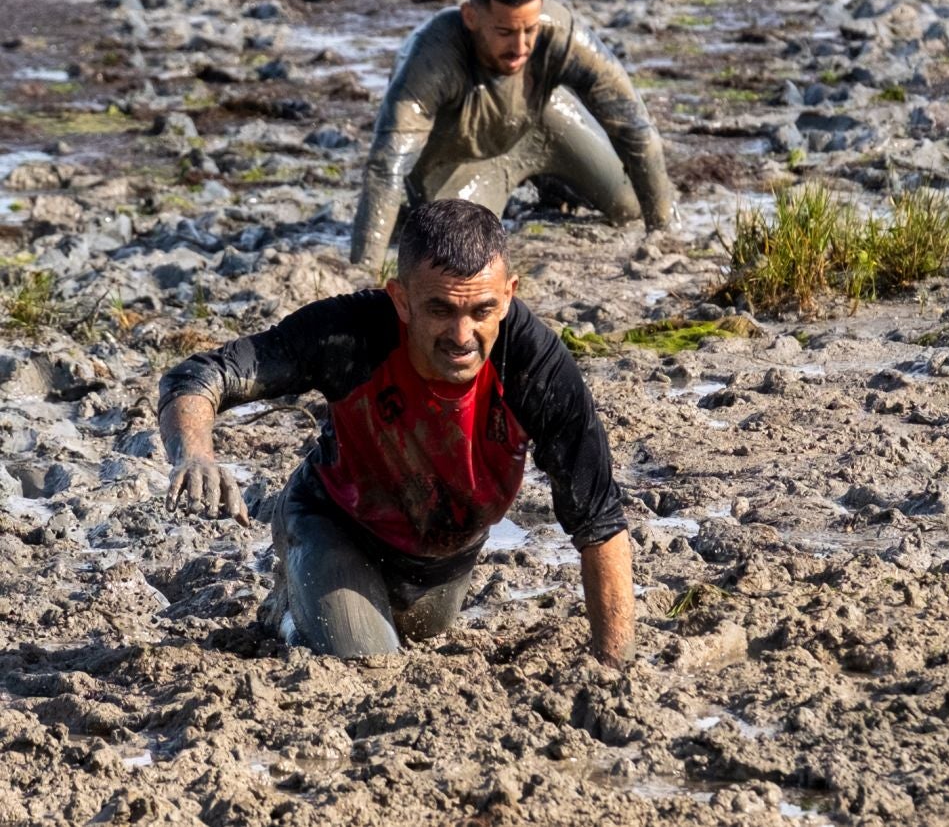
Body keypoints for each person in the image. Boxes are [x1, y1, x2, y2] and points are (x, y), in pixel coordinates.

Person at [159, 199, 634, 663]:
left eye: (481, 311)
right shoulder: (350, 334)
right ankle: (287, 611)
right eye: (441, 310)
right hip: (338, 523)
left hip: (445, 559)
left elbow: (600, 524)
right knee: (367, 660)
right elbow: (199, 377)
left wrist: (615, 671)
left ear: (509, 294)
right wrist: (195, 453)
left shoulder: (539, 369)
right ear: (401, 299)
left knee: (418, 634)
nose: (463, 336)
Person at [349, 0, 673, 267]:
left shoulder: (560, 35)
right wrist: (364, 269)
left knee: (630, 206)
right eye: (504, 32)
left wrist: (662, 232)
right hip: (456, 161)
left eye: (529, 29)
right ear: (471, 17)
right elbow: (387, 164)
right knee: (456, 251)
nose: (520, 48)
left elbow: (634, 127)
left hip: (540, 124)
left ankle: (554, 181)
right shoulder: (431, 59)